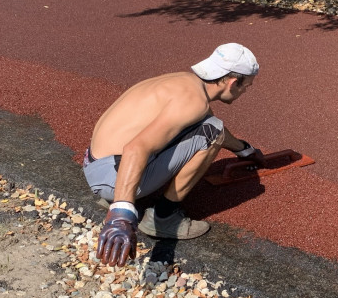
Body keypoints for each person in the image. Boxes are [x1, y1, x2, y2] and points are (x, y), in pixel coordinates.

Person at [84, 43, 265, 267]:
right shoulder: (194, 102)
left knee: (206, 127)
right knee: (214, 132)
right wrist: (121, 213)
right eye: (246, 86)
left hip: (95, 164)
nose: (245, 91)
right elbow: (135, 149)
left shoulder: (185, 82)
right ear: (233, 82)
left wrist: (244, 149)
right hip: (111, 179)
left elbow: (204, 120)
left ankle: (118, 196)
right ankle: (163, 217)